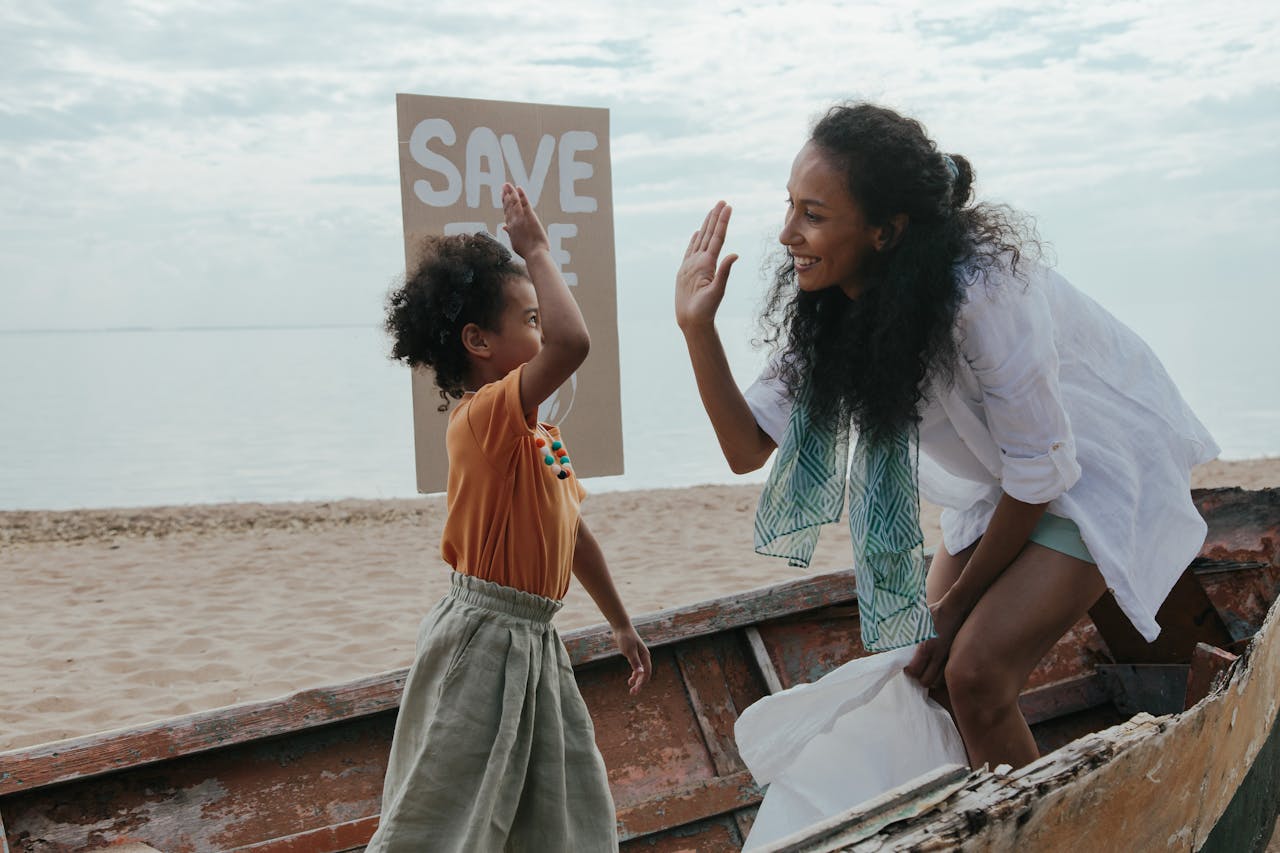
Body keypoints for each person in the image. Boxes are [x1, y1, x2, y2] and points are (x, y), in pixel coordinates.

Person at [675, 102, 1217, 771]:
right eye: (789, 205)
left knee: (977, 676)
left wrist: (957, 608)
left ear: (884, 230)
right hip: (1006, 480)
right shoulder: (834, 305)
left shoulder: (985, 295)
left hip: (1094, 467)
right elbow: (745, 448)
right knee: (923, 669)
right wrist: (696, 328)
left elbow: (1042, 474)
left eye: (814, 214)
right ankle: (993, 812)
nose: (788, 232)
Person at [369, 182, 650, 851]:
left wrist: (620, 621)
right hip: (484, 638)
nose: (542, 329)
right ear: (478, 341)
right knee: (445, 815)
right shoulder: (484, 417)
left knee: (559, 811)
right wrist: (537, 249)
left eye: (536, 317)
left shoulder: (539, 436)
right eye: (528, 320)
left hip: (533, 638)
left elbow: (573, 534)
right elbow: (574, 341)